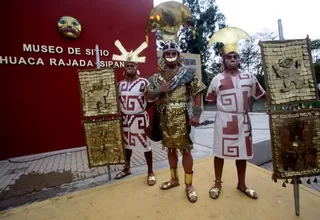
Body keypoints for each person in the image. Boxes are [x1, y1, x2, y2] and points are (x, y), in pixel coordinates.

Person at [205, 27, 266, 200]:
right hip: (223, 120)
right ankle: (217, 182)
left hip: (243, 120)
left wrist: (275, 102)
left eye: (235, 57)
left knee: (242, 154)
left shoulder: (249, 77)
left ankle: (242, 184)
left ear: (239, 59)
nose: (232, 60)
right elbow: (209, 98)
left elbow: (262, 95)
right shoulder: (216, 80)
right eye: (228, 57)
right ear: (223, 60)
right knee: (219, 152)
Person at [145, 41, 206, 203]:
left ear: (178, 55)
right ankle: (174, 179)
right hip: (164, 117)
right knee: (170, 149)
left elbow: (198, 92)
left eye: (173, 53)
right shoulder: (157, 77)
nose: (170, 57)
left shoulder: (188, 73)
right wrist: (160, 90)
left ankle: (189, 185)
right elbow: (148, 95)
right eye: (167, 54)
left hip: (182, 116)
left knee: (186, 151)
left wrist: (197, 114)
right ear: (163, 56)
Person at [112, 40, 156, 186]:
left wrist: (142, 109)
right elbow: (117, 101)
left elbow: (152, 99)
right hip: (125, 119)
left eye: (132, 65)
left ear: (136, 66)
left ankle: (150, 171)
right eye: (127, 65)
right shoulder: (120, 84)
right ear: (124, 67)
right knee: (127, 146)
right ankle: (127, 168)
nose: (129, 67)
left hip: (140, 119)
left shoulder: (144, 82)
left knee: (145, 146)